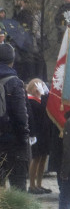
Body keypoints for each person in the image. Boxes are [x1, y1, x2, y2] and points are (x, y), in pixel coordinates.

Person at [0, 43, 30, 190]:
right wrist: (24, 138)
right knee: (19, 189)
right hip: (13, 142)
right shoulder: (14, 82)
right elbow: (20, 115)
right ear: (12, 60)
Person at [25, 78, 52, 194]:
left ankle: (39, 184)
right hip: (36, 132)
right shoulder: (30, 100)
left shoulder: (41, 99)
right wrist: (43, 96)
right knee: (36, 158)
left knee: (43, 158)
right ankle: (32, 185)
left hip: (44, 131)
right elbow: (41, 110)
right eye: (36, 87)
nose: (38, 89)